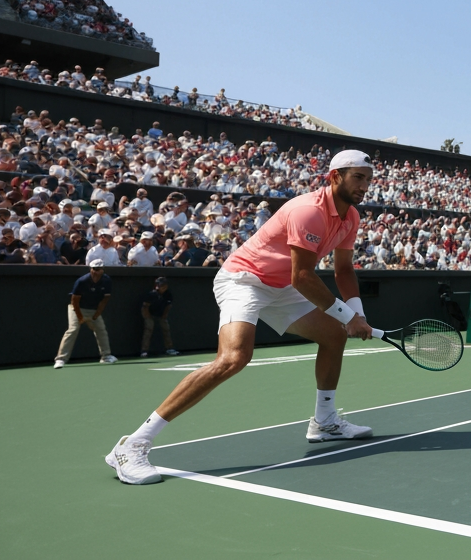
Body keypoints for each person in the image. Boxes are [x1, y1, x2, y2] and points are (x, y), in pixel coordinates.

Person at [105, 150, 377, 485]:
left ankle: (324, 422)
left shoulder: (350, 217)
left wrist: (357, 315)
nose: (365, 186)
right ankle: (133, 445)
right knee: (233, 358)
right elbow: (303, 277)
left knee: (333, 336)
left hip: (281, 284)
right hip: (244, 279)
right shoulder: (308, 211)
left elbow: (344, 269)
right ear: (335, 177)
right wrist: (348, 316)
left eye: (368, 179)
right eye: (358, 177)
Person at [54, 259, 117, 368]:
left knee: (101, 329)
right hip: (77, 309)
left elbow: (105, 299)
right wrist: (80, 316)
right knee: (72, 330)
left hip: (94, 310)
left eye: (99, 269)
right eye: (95, 269)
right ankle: (61, 359)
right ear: (91, 269)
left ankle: (106, 356)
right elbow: (74, 300)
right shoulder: (82, 281)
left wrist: (97, 314)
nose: (97, 272)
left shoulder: (107, 281)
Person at [139, 277, 178, 357]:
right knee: (148, 330)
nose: (161, 287)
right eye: (160, 285)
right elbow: (145, 307)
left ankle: (169, 349)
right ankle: (144, 351)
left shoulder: (168, 294)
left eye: (163, 286)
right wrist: (147, 316)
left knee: (166, 329)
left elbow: (168, 306)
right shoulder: (151, 294)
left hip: (161, 315)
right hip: (149, 314)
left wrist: (164, 315)